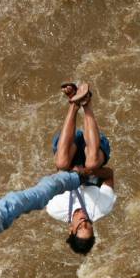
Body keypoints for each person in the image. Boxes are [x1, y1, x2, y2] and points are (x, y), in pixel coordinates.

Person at [47, 83, 116, 254]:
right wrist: (90, 172)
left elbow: (54, 176)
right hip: (93, 148)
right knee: (92, 162)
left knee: (61, 164)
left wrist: (70, 173)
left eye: (80, 226)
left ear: (71, 229)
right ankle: (86, 103)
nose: (85, 221)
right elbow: (109, 174)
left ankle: (73, 104)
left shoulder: (54, 208)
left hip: (68, 149)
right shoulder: (102, 208)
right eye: (89, 226)